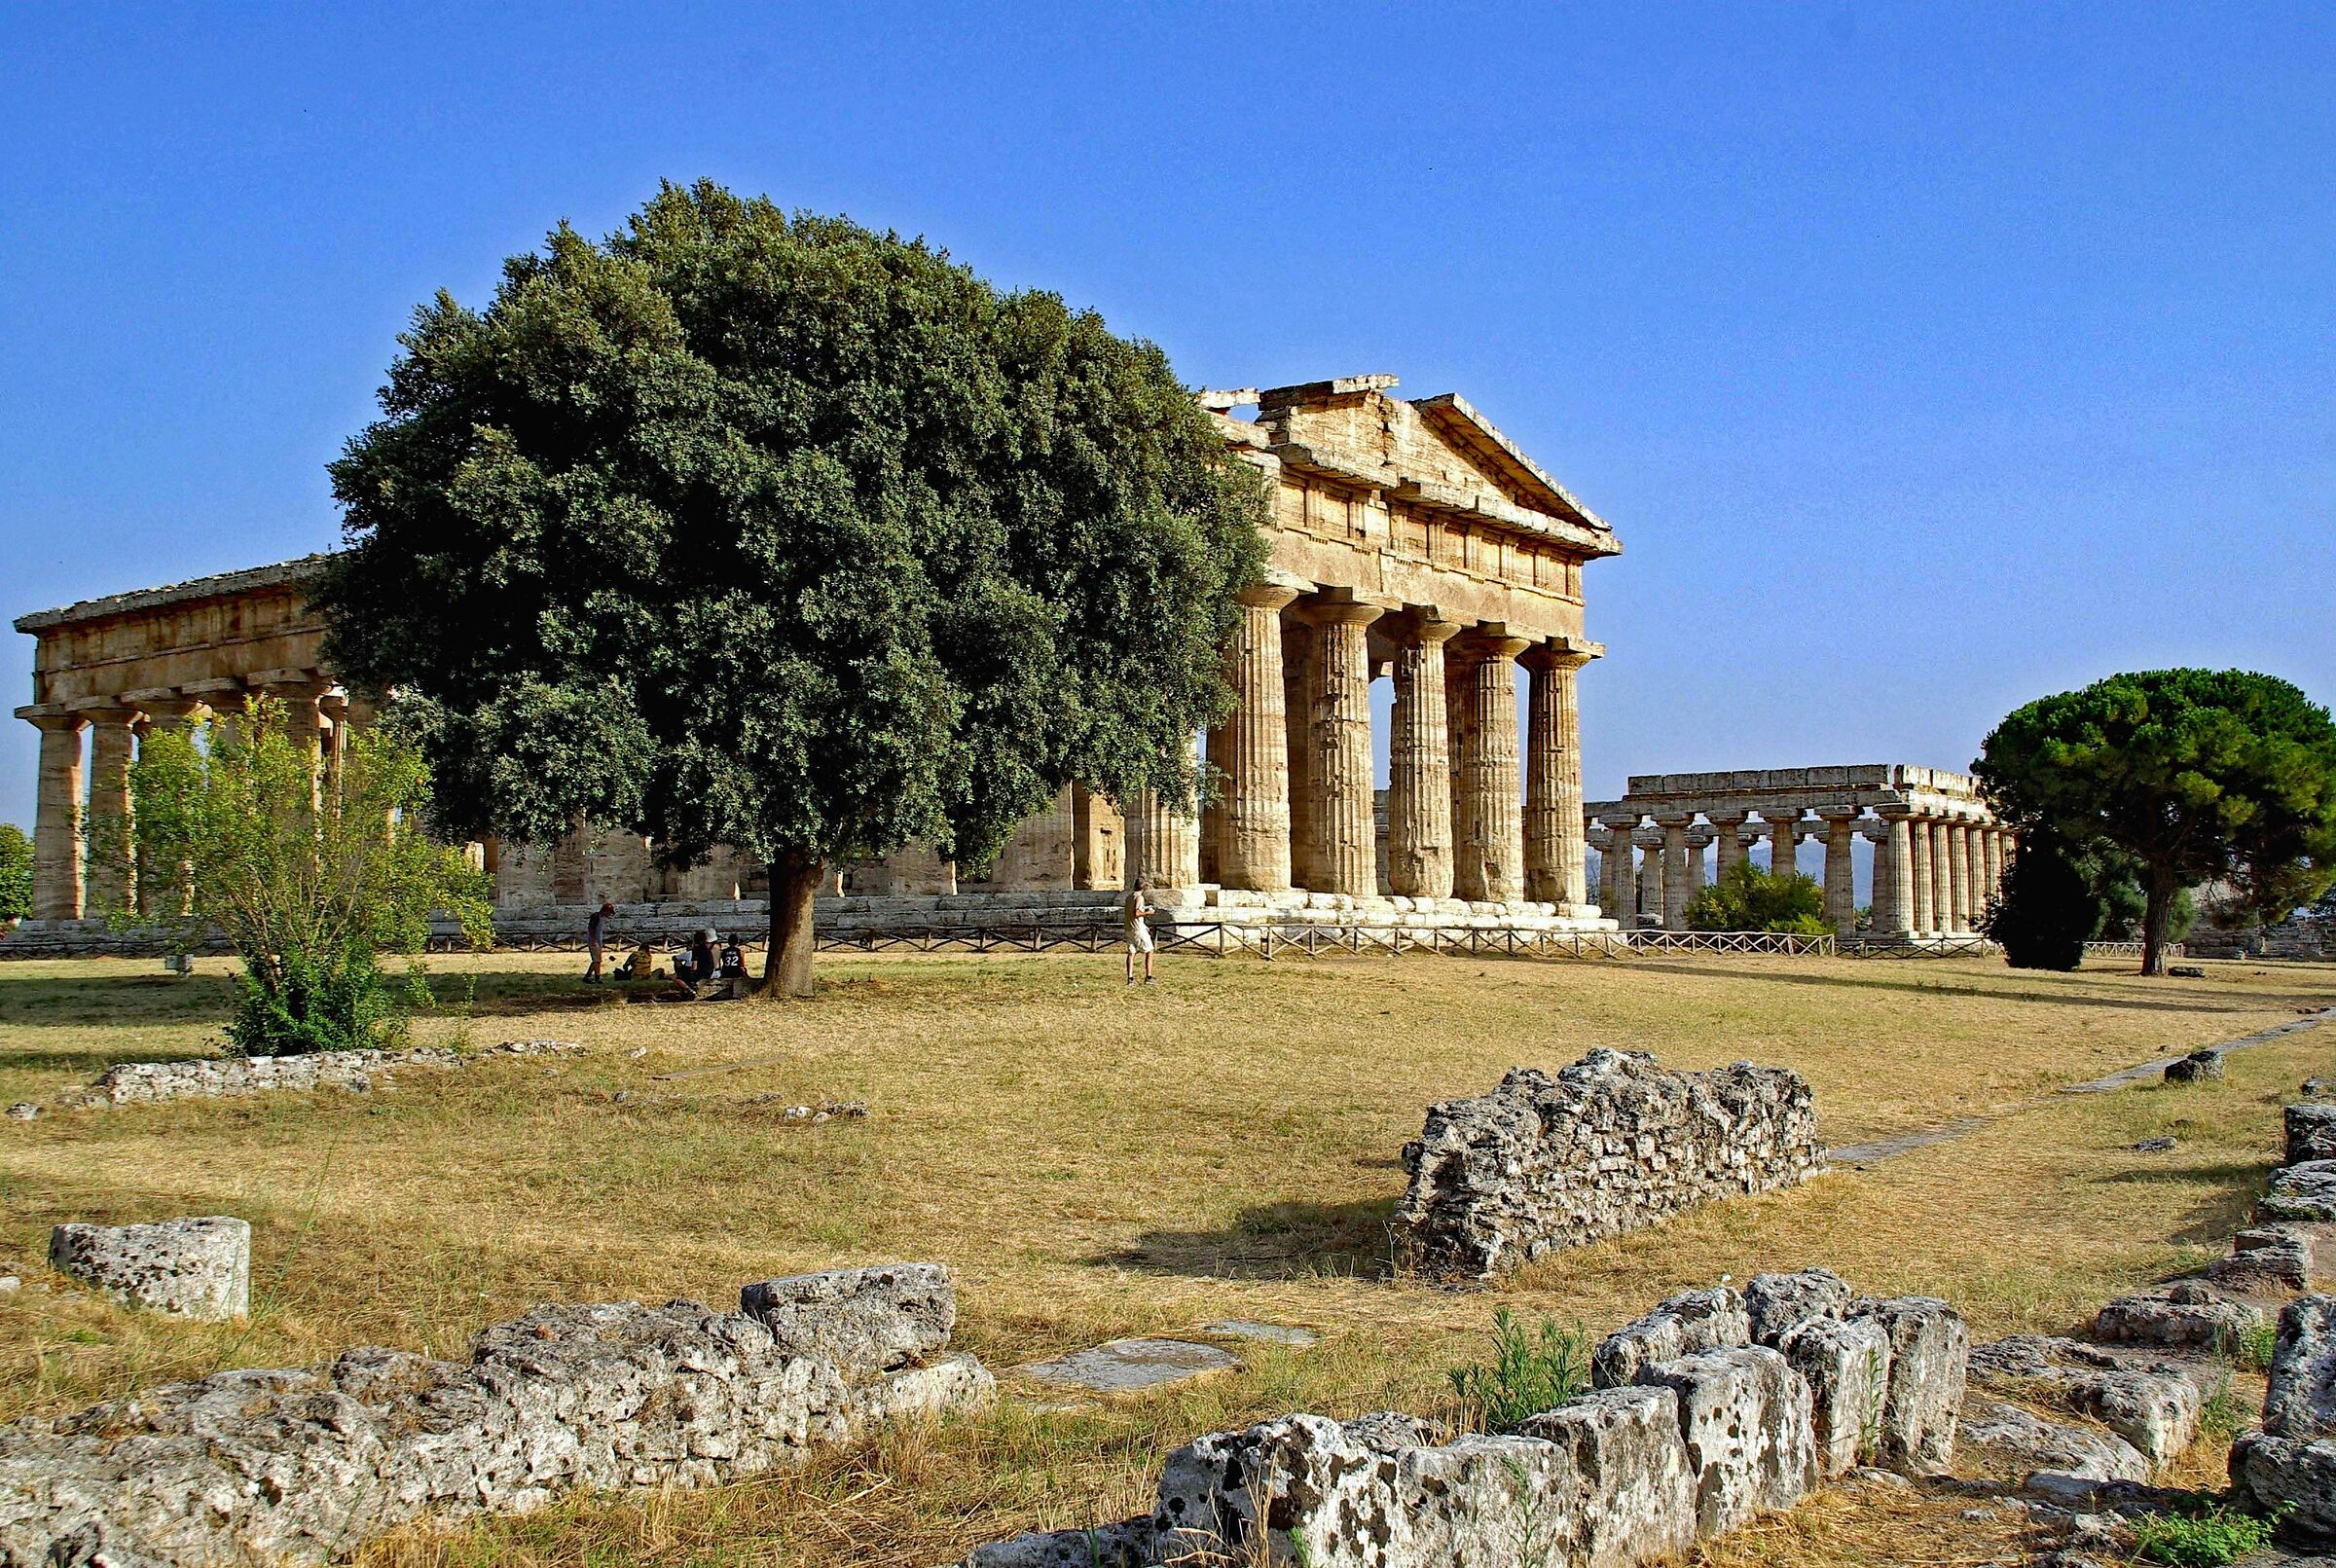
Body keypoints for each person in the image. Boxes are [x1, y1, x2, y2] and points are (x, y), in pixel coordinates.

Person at [1123, 879, 1155, 985]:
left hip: (1129, 928)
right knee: (1150, 950)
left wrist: (1144, 925)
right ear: (1144, 888)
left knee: (1131, 953)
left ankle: (1130, 978)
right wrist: (1148, 913)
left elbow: (1130, 914)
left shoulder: (1128, 897)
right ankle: (1149, 977)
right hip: (1137, 929)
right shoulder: (1139, 898)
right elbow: (1137, 913)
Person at [585, 901, 616, 982]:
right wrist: (593, 940)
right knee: (597, 960)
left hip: (597, 940)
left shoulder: (602, 918)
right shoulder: (596, 917)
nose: (609, 915)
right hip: (593, 940)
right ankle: (597, 977)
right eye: (609, 912)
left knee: (596, 960)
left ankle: (587, 976)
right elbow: (591, 929)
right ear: (605, 911)